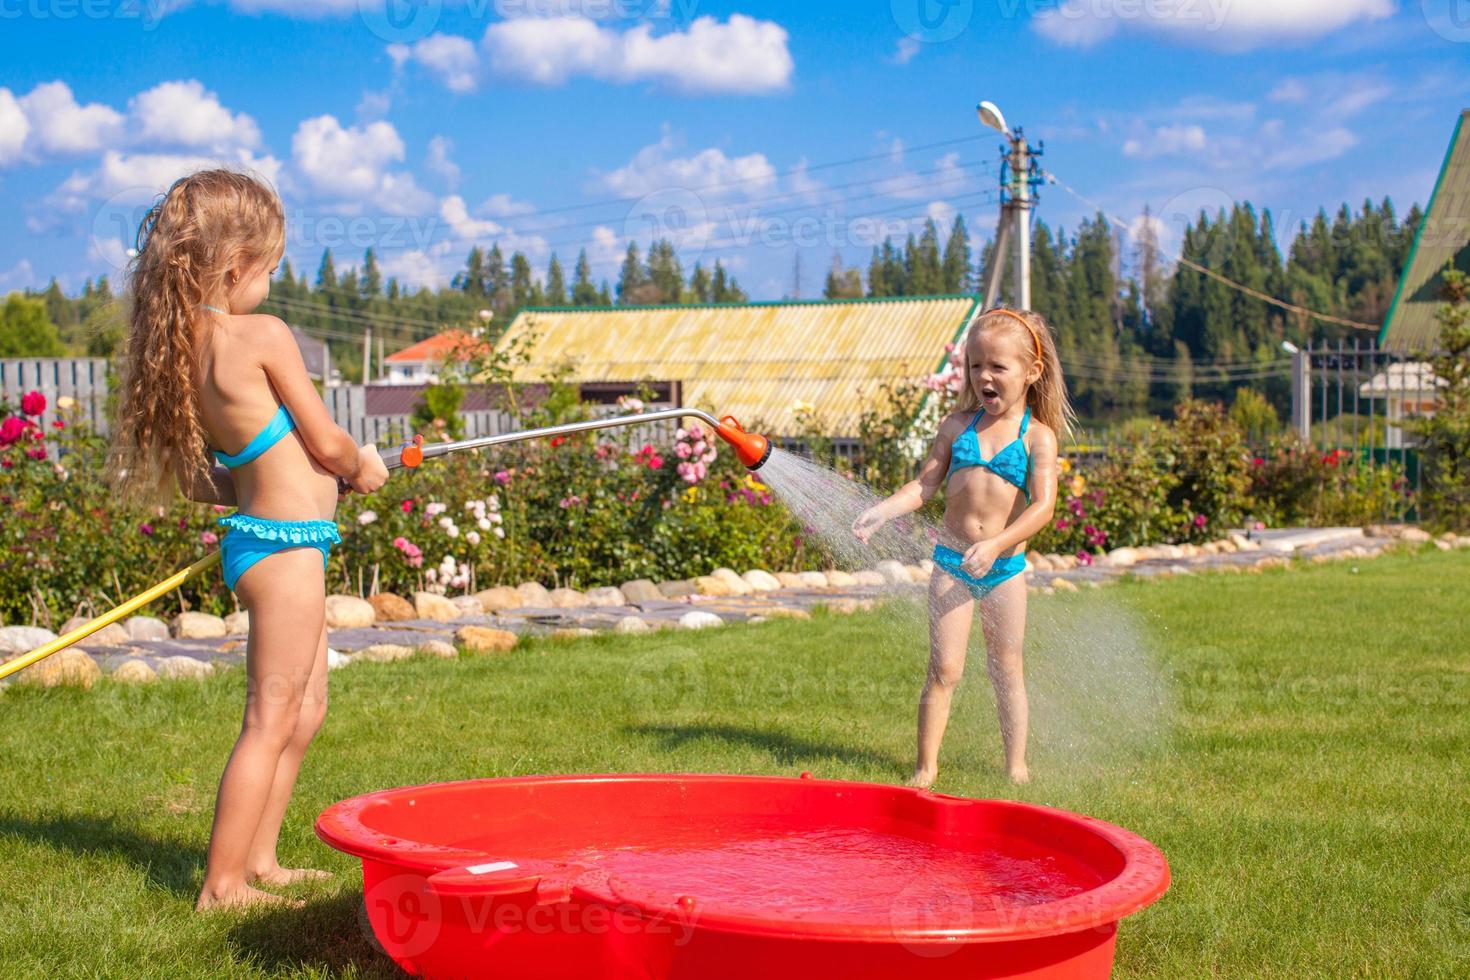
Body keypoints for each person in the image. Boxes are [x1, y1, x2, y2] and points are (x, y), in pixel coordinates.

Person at [108, 170, 388, 910]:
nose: (273, 283)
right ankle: (224, 886)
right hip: (287, 551)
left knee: (306, 709)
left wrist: (304, 477)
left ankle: (260, 860)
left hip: (275, 541)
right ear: (236, 266)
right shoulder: (261, 335)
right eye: (271, 269)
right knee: (270, 718)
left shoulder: (189, 346)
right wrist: (364, 465)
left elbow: (214, 478)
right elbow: (327, 440)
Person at [854, 308, 1073, 786]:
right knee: (945, 669)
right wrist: (884, 510)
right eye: (976, 366)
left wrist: (997, 545)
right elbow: (923, 486)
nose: (984, 376)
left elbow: (1042, 508)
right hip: (953, 564)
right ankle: (924, 769)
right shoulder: (957, 427)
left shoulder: (1038, 437)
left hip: (1005, 569)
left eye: (997, 367)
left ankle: (1016, 767)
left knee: (1006, 669)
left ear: (1031, 373)